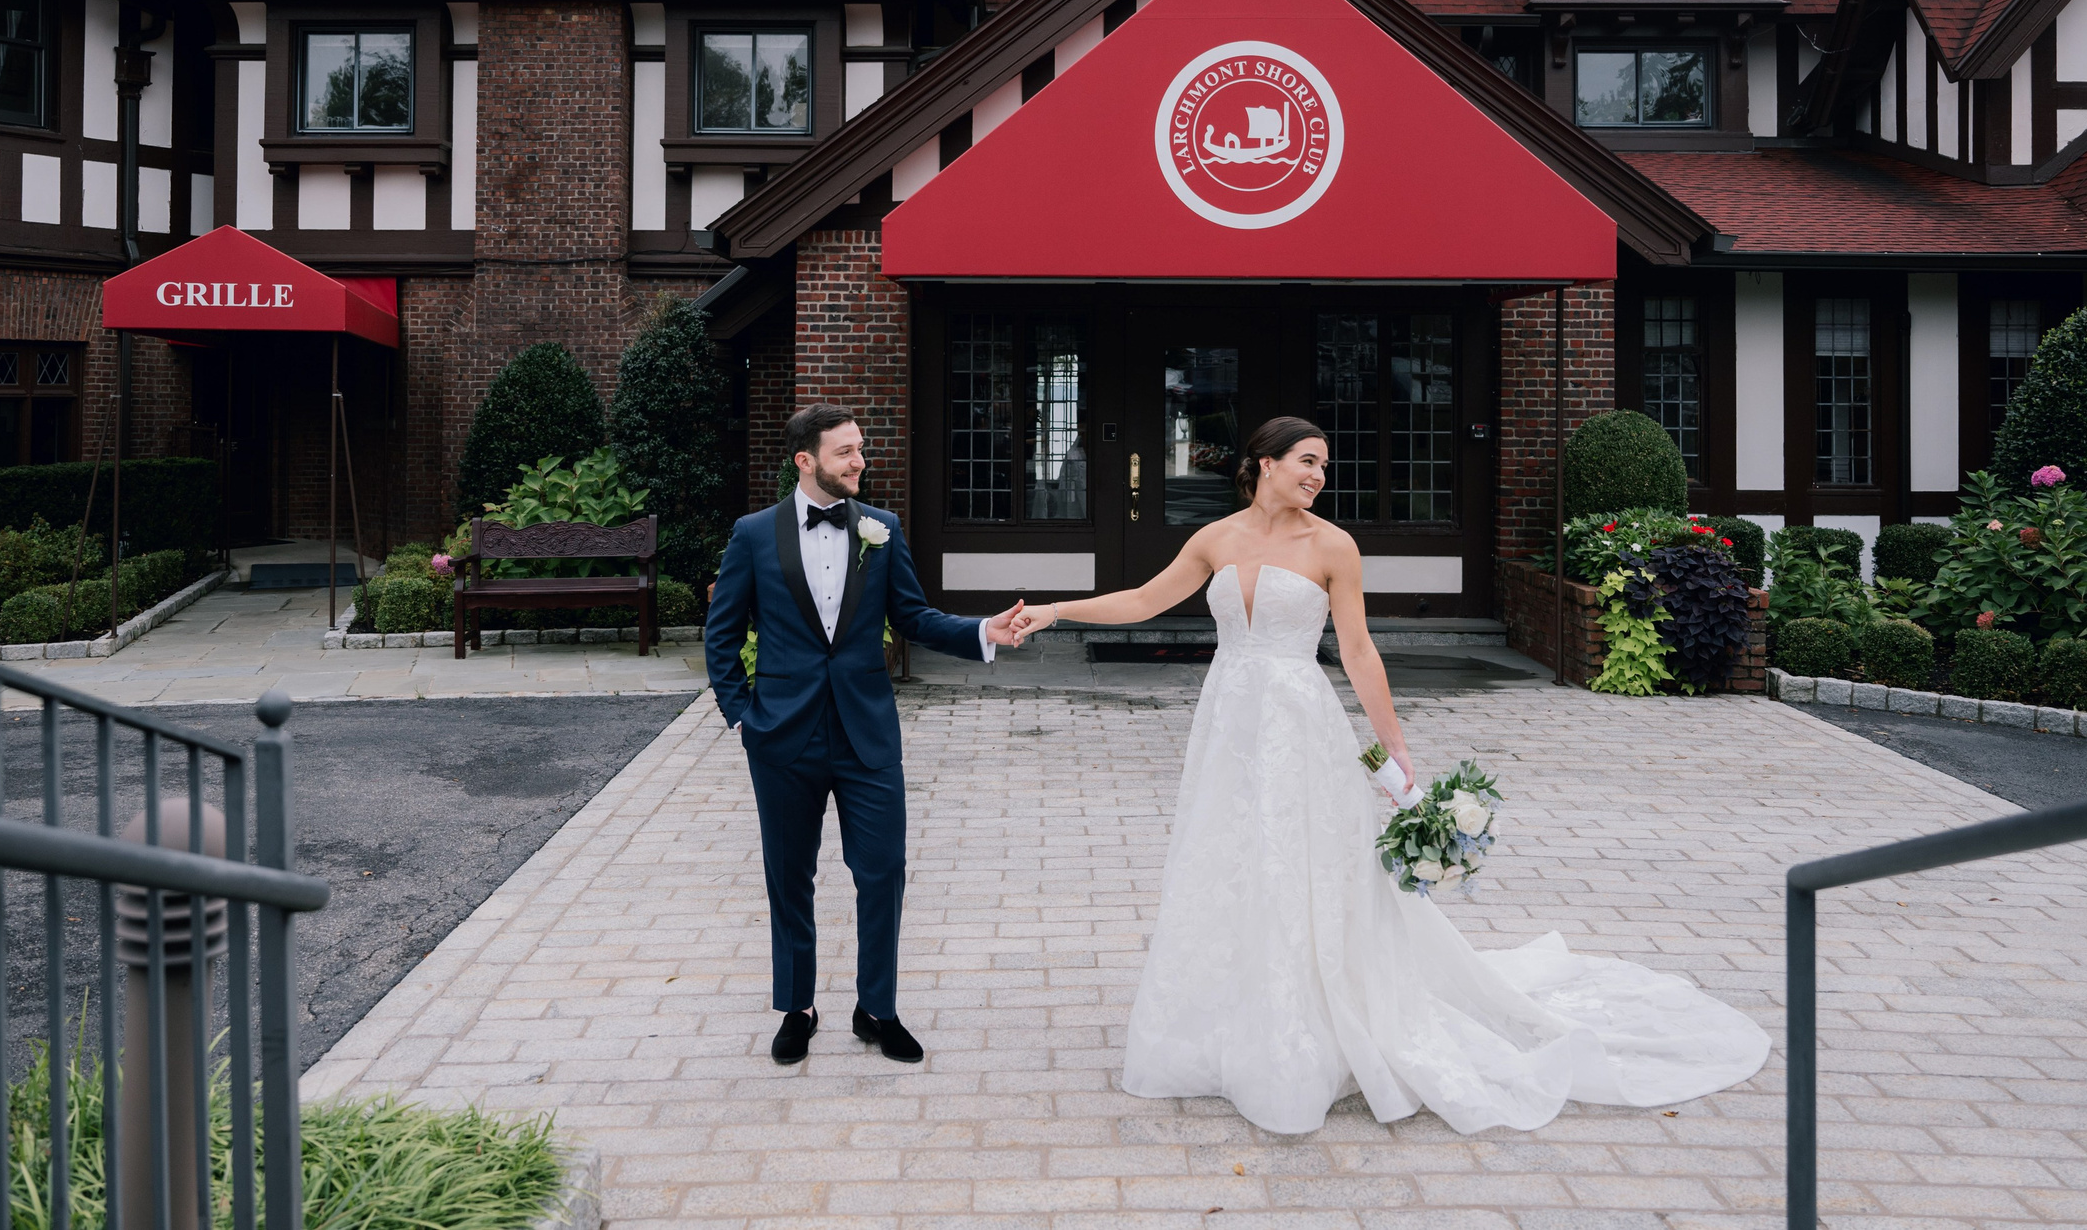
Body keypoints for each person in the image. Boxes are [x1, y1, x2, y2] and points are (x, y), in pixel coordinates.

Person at [1006, 415, 1769, 1135]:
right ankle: (1230, 1023)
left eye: (1325, 468)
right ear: (1265, 463)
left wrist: (1393, 748)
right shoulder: (1215, 538)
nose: (1318, 478)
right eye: (1307, 463)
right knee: (1230, 861)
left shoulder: (1333, 546)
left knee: (1308, 869)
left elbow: (1360, 651)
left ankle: (1312, 1029)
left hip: (1300, 722)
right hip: (1229, 722)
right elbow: (1145, 600)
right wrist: (1056, 611)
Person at [705, 402, 1027, 1067]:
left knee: (882, 873)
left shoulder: (882, 528)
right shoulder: (753, 535)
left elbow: (912, 614)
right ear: (807, 460)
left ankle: (877, 1008)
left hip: (866, 734)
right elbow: (723, 631)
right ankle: (798, 1006)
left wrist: (980, 633)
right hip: (782, 736)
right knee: (788, 876)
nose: (860, 460)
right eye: (846, 451)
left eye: (860, 448)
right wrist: (743, 713)